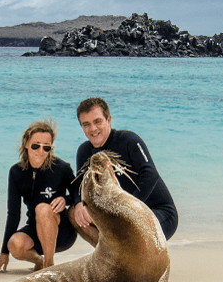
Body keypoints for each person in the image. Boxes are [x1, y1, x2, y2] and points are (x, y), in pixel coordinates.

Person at [68, 97, 178, 246]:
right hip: (118, 216)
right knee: (75, 214)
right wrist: (79, 203)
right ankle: (110, 258)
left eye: (98, 121)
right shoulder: (84, 151)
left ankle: (131, 261)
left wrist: (127, 210)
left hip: (157, 213)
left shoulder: (128, 140)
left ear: (108, 120)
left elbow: (150, 173)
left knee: (128, 226)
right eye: (86, 124)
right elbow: (79, 184)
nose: (93, 129)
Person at [0, 120, 79, 272]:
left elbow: (79, 193)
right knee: (15, 244)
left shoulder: (62, 168)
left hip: (62, 233)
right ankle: (39, 262)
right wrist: (4, 253)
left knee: (42, 208)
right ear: (26, 143)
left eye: (46, 147)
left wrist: (65, 199)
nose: (41, 151)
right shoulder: (16, 172)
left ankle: (49, 265)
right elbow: (13, 214)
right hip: (35, 229)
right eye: (36, 145)